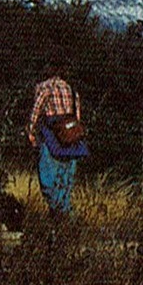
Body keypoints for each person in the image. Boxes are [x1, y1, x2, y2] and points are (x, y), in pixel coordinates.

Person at [28, 61, 89, 216]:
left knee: (48, 180)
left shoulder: (44, 87)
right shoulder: (72, 90)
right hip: (72, 141)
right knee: (65, 183)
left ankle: (64, 215)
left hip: (52, 138)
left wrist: (31, 132)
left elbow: (36, 111)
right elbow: (77, 117)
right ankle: (65, 222)